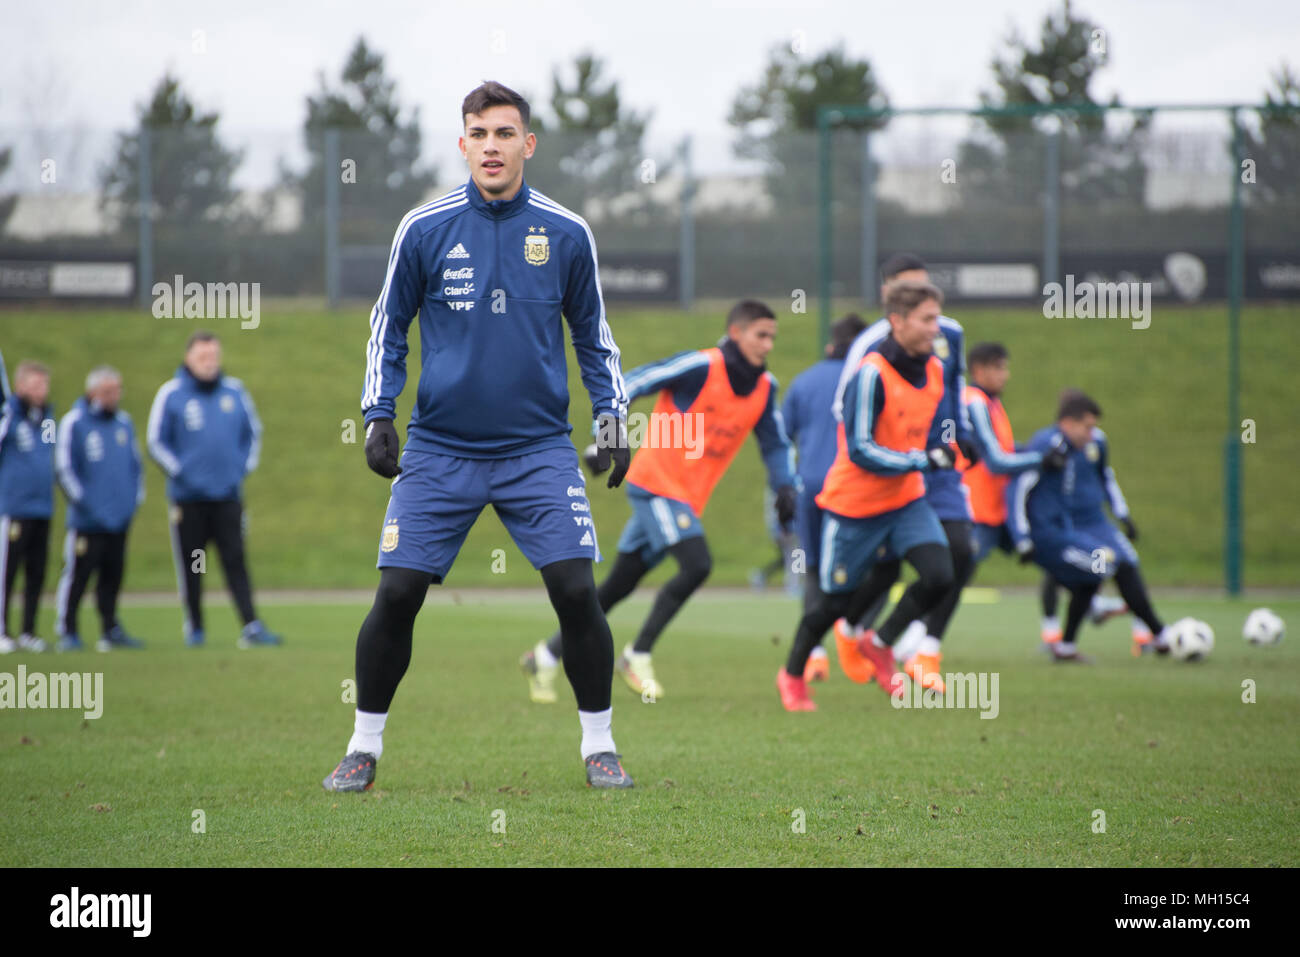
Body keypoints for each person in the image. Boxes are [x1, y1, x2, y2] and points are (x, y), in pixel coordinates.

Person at [324, 81, 634, 792]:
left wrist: (611, 414)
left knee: (576, 589)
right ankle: (362, 745)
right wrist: (378, 413)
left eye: (504, 133)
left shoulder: (565, 232)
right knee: (398, 593)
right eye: (477, 133)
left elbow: (595, 338)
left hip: (538, 449)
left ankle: (600, 746)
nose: (490, 145)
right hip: (439, 448)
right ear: (461, 143)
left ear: (528, 144)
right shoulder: (423, 228)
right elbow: (387, 326)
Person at [522, 299, 798, 702]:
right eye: (761, 335)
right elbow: (633, 382)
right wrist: (609, 437)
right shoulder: (702, 365)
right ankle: (638, 653)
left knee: (618, 585)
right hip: (655, 485)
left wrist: (785, 487)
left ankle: (545, 656)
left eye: (773, 336)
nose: (768, 344)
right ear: (736, 333)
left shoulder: (765, 387)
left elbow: (775, 444)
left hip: (686, 498)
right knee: (698, 563)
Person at [778, 280, 957, 711]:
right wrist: (924, 460)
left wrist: (948, 448)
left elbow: (926, 428)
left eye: (937, 318)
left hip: (907, 500)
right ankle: (792, 675)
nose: (937, 328)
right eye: (927, 319)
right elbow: (860, 450)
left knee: (940, 576)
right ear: (897, 322)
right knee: (834, 602)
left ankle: (879, 644)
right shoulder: (871, 375)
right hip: (854, 506)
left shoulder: (935, 369)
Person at [826, 254, 980, 694]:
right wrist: (894, 450)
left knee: (960, 552)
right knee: (888, 565)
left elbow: (953, 387)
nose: (932, 320)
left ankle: (923, 649)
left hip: (942, 465)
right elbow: (845, 409)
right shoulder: (871, 346)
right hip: (893, 468)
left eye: (923, 287)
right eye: (905, 288)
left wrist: (958, 437)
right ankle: (852, 627)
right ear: (890, 299)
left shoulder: (950, 333)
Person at [1007, 390, 1170, 661]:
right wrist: (1022, 538)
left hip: (1068, 532)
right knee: (1105, 564)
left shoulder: (1081, 446)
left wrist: (1122, 514)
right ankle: (1099, 610)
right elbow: (1018, 487)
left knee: (1104, 568)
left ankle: (1068, 645)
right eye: (1088, 427)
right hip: (1047, 537)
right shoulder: (1048, 443)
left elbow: (1104, 477)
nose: (1091, 434)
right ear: (1069, 423)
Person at [147, 331, 280, 649]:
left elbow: (253, 433)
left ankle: (250, 625)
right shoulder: (172, 393)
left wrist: (240, 469)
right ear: (189, 358)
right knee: (193, 563)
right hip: (188, 500)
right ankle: (194, 627)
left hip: (228, 497)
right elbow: (155, 441)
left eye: (214, 357)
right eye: (203, 357)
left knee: (236, 559)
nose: (209, 363)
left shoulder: (234, 392)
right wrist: (182, 473)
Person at [779, 313, 867, 680]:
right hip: (852, 488)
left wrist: (786, 485)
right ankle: (856, 637)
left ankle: (814, 653)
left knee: (813, 568)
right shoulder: (868, 379)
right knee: (870, 567)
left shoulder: (803, 382)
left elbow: (780, 437)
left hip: (810, 486)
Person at [53, 367, 145, 652]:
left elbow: (135, 466)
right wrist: (88, 505)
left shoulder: (123, 423)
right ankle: (67, 629)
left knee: (112, 576)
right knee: (78, 575)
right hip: (88, 521)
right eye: (107, 391)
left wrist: (131, 502)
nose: (113, 397)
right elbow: (64, 469)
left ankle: (110, 629)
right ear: (93, 392)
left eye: (117, 390)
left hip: (119, 519)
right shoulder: (74, 422)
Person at [0, 361, 56, 653]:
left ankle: (29, 631)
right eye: (34, 385)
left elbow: (47, 457)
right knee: (6, 573)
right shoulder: (9, 415)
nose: (39, 391)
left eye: (43, 385)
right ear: (20, 385)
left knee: (36, 573)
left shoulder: (47, 419)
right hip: (14, 507)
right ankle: (2, 631)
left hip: (42, 507)